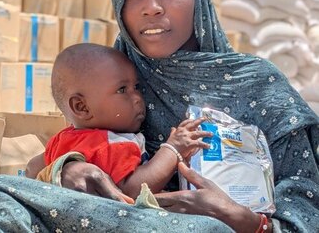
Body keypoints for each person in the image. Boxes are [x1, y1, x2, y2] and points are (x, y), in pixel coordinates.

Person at [0, 0, 318, 233]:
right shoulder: (112, 78)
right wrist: (66, 170)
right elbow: (65, 152)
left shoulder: (258, 86)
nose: (151, 6)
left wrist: (241, 218)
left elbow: (306, 209)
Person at [28, 43, 210, 199]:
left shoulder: (62, 138)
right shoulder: (111, 144)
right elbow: (134, 190)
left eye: (136, 87)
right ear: (82, 107)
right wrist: (174, 149)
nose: (138, 97)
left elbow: (33, 167)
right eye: (122, 90)